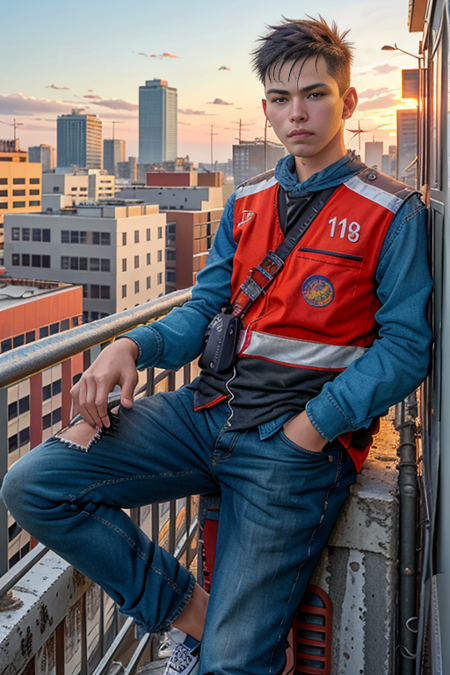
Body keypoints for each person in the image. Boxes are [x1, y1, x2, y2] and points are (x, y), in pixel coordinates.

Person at [1, 16, 432, 675]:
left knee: (231, 665)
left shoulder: (390, 210)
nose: (298, 113)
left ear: (347, 102)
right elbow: (204, 309)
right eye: (282, 100)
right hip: (206, 415)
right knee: (36, 483)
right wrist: (130, 346)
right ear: (265, 108)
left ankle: (227, 637)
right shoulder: (248, 199)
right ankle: (195, 615)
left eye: (315, 94)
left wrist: (311, 429)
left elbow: (405, 349)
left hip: (292, 452)